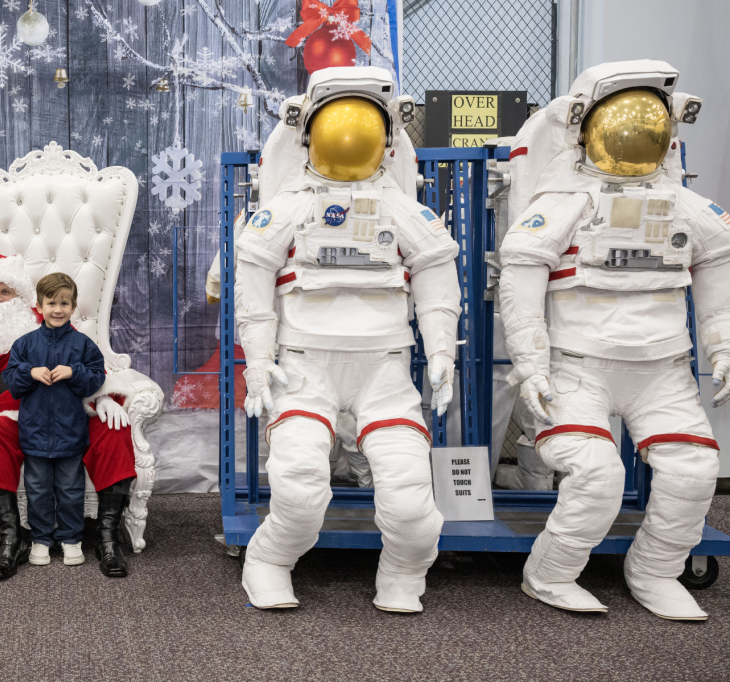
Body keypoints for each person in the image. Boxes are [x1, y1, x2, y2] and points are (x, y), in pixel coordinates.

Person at [500, 60, 727, 620]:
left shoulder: (686, 207)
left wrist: (722, 344)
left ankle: (656, 571)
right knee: (598, 475)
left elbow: (718, 267)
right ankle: (550, 575)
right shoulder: (563, 203)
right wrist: (531, 365)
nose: (634, 134)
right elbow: (520, 276)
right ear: (583, 127)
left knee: (693, 470)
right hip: (577, 367)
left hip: (663, 369)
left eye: (649, 122)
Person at [234, 66, 461, 612]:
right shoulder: (286, 209)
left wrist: (441, 352)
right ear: (308, 134)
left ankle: (403, 574)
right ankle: (268, 560)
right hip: (303, 369)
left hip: (383, 371)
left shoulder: (402, 210)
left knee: (412, 505)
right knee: (298, 491)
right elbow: (254, 295)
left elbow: (436, 282)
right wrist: (258, 364)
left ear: (387, 138)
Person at [0, 254, 139, 580]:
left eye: (5, 291)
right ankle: (12, 537)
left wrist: (104, 398)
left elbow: (90, 365)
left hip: (69, 412)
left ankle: (108, 536)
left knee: (114, 429)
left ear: (22, 296)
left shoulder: (52, 320)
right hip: (14, 417)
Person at [3, 273, 105, 570]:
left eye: (64, 303)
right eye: (51, 303)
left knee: (71, 489)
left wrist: (75, 372)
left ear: (73, 307)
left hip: (71, 433)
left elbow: (96, 378)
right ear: (39, 306)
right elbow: (12, 382)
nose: (58, 309)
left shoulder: (83, 345)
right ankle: (41, 539)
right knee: (38, 489)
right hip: (34, 433)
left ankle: (71, 538)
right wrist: (29, 372)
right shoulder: (24, 345)